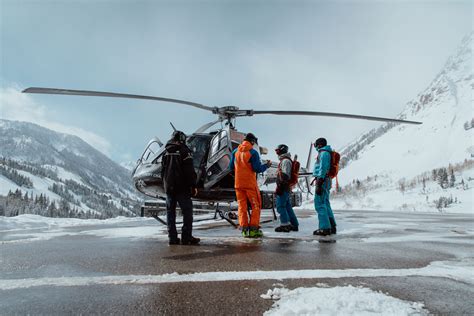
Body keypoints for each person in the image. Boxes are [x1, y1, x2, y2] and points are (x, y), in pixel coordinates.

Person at [161, 130, 200, 245]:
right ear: (181, 139)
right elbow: (189, 171)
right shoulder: (184, 151)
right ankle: (186, 237)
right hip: (182, 188)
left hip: (169, 188)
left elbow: (162, 171)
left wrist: (165, 184)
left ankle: (172, 238)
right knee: (187, 212)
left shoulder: (166, 152)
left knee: (170, 213)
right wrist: (193, 185)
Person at [229, 133, 271, 238]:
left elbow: (231, 167)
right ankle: (253, 230)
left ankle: (244, 230)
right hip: (250, 185)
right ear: (252, 141)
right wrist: (266, 165)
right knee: (255, 206)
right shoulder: (253, 153)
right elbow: (257, 168)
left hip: (238, 184)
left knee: (241, 207)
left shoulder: (235, 152)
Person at [313, 137, 337, 236]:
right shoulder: (326, 152)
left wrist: (319, 182)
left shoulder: (323, 153)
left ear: (319, 144)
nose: (315, 146)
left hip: (322, 180)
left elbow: (323, 168)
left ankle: (324, 228)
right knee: (325, 203)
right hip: (326, 180)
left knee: (319, 204)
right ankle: (331, 226)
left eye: (316, 144)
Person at [274, 144, 299, 233]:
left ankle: (285, 225)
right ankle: (294, 224)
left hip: (283, 187)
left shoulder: (285, 161)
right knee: (287, 206)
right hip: (286, 187)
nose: (276, 152)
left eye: (277, 150)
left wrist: (280, 187)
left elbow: (285, 175)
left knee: (280, 206)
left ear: (282, 150)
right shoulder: (286, 160)